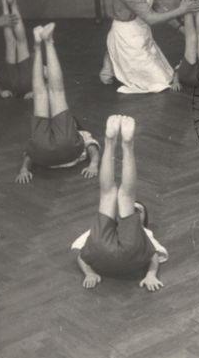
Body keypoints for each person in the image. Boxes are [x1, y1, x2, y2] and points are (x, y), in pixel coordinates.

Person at [70, 115, 168, 291]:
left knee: (110, 195)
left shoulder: (145, 232)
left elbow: (80, 255)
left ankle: (111, 142)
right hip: (119, 251)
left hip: (108, 249)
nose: (135, 210)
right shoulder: (145, 233)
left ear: (143, 221)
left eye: (138, 210)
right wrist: (151, 274)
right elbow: (154, 256)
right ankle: (126, 145)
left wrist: (89, 272)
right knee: (124, 196)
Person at [15, 24, 100, 184]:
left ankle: (41, 46)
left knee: (43, 95)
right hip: (64, 149)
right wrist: (94, 165)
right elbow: (93, 149)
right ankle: (45, 44)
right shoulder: (83, 135)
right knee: (48, 94)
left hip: (44, 154)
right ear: (75, 126)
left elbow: (29, 154)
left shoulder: (79, 133)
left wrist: (24, 169)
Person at [0, 0, 33, 99]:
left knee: (17, 41)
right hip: (22, 83)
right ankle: (8, 3)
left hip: (14, 82)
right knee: (12, 42)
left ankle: (10, 4)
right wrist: (36, 91)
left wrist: (1, 93)